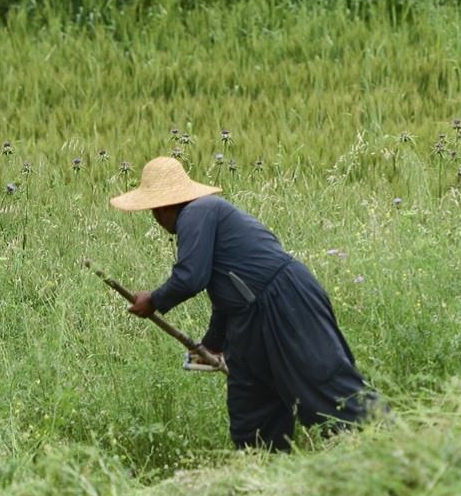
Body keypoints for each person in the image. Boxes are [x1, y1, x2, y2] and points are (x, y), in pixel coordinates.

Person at [111, 157, 381, 451]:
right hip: (251, 314)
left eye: (152, 210)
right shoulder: (205, 214)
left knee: (325, 384)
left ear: (162, 207)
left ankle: (388, 446)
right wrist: (213, 344)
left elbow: (191, 278)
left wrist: (154, 300)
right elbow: (227, 296)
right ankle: (263, 474)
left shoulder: (198, 211)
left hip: (285, 301)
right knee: (252, 403)